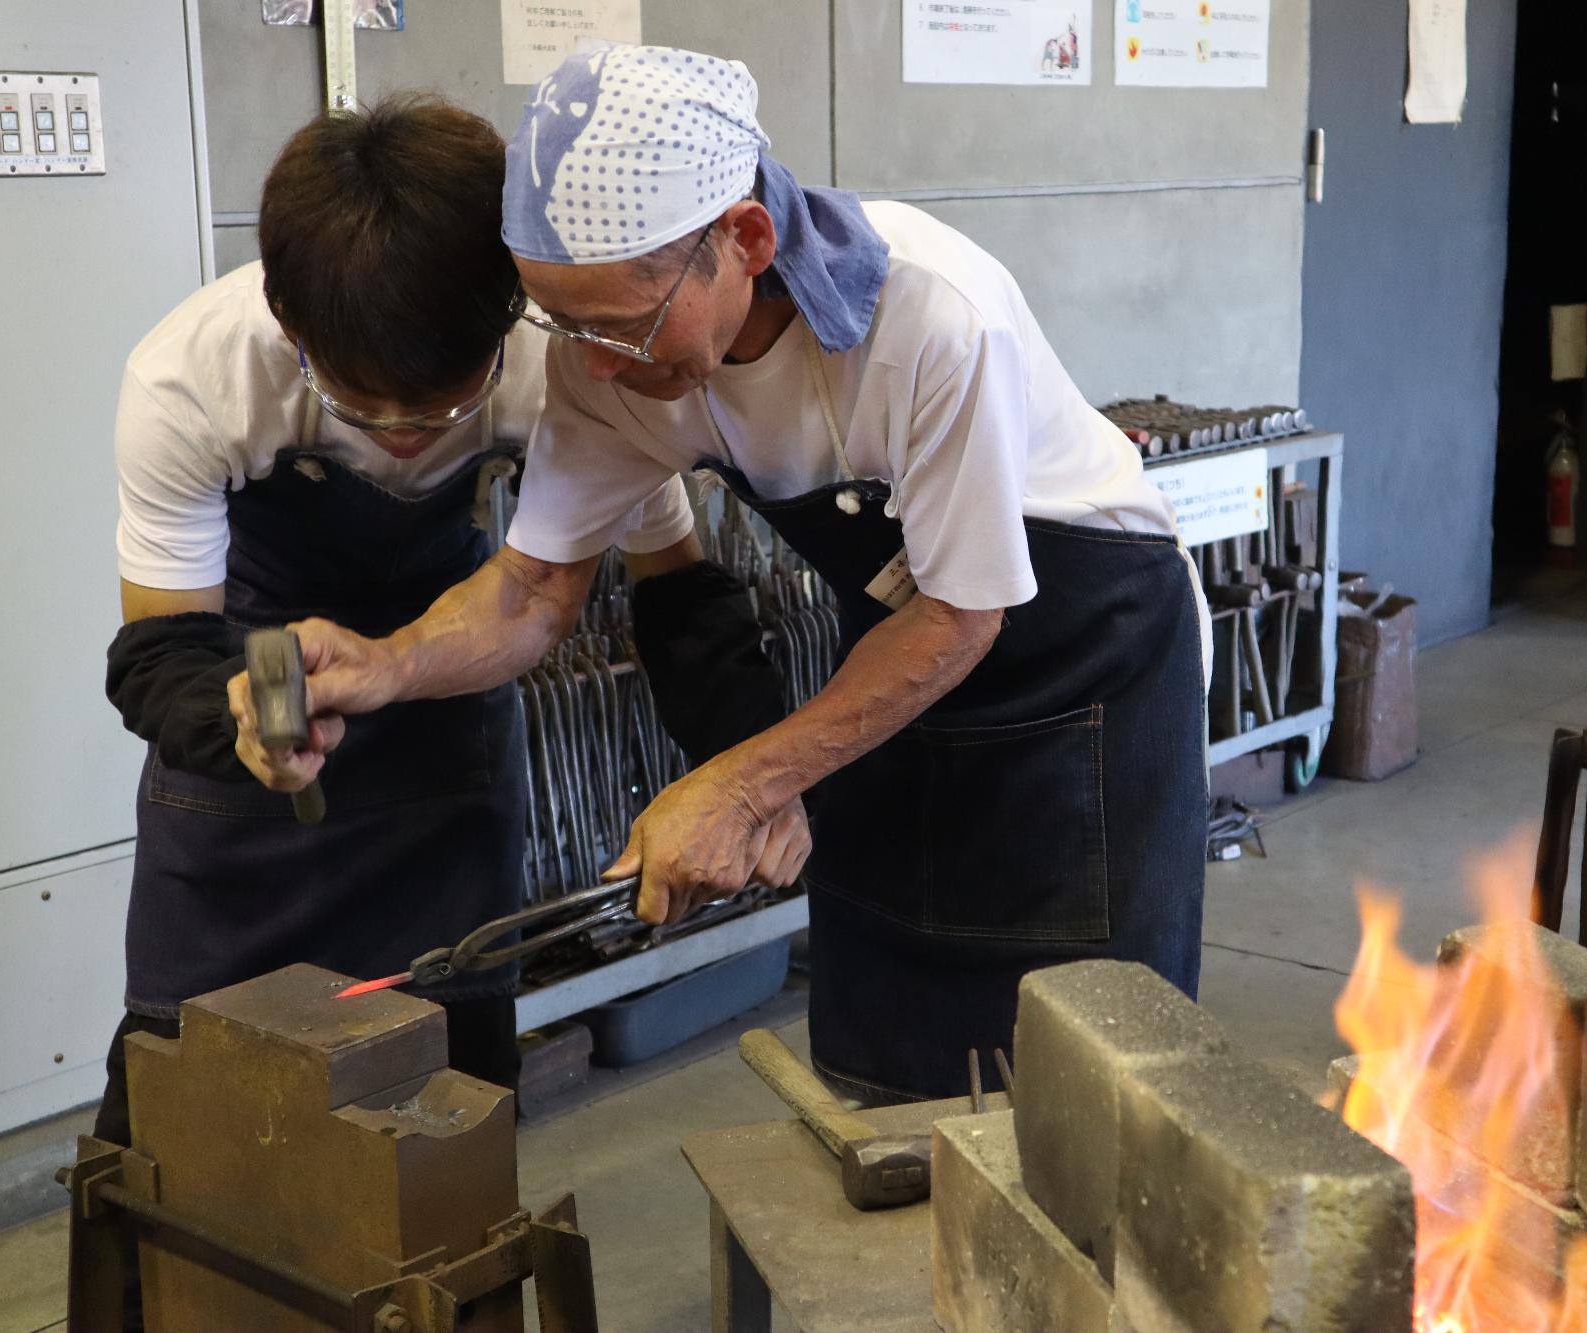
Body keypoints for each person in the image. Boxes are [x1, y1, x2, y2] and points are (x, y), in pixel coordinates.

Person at [234, 47, 1209, 1105]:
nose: (595, 365)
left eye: (621, 324)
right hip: (896, 672)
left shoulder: (928, 316)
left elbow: (961, 615)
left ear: (745, 239)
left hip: (1082, 661)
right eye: (563, 323)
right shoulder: (606, 364)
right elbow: (527, 592)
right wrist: (383, 665)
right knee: (885, 1062)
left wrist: (738, 781)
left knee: (1087, 1085)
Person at [98, 93, 811, 1149]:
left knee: (442, 1137)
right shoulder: (194, 375)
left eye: (435, 408)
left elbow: (678, 598)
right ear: (290, 327)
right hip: (243, 795)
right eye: (358, 404)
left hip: (446, 771)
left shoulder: (565, 362)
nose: (397, 440)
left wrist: (754, 777)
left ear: (504, 314)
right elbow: (157, 649)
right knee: (187, 1122)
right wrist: (236, 715)